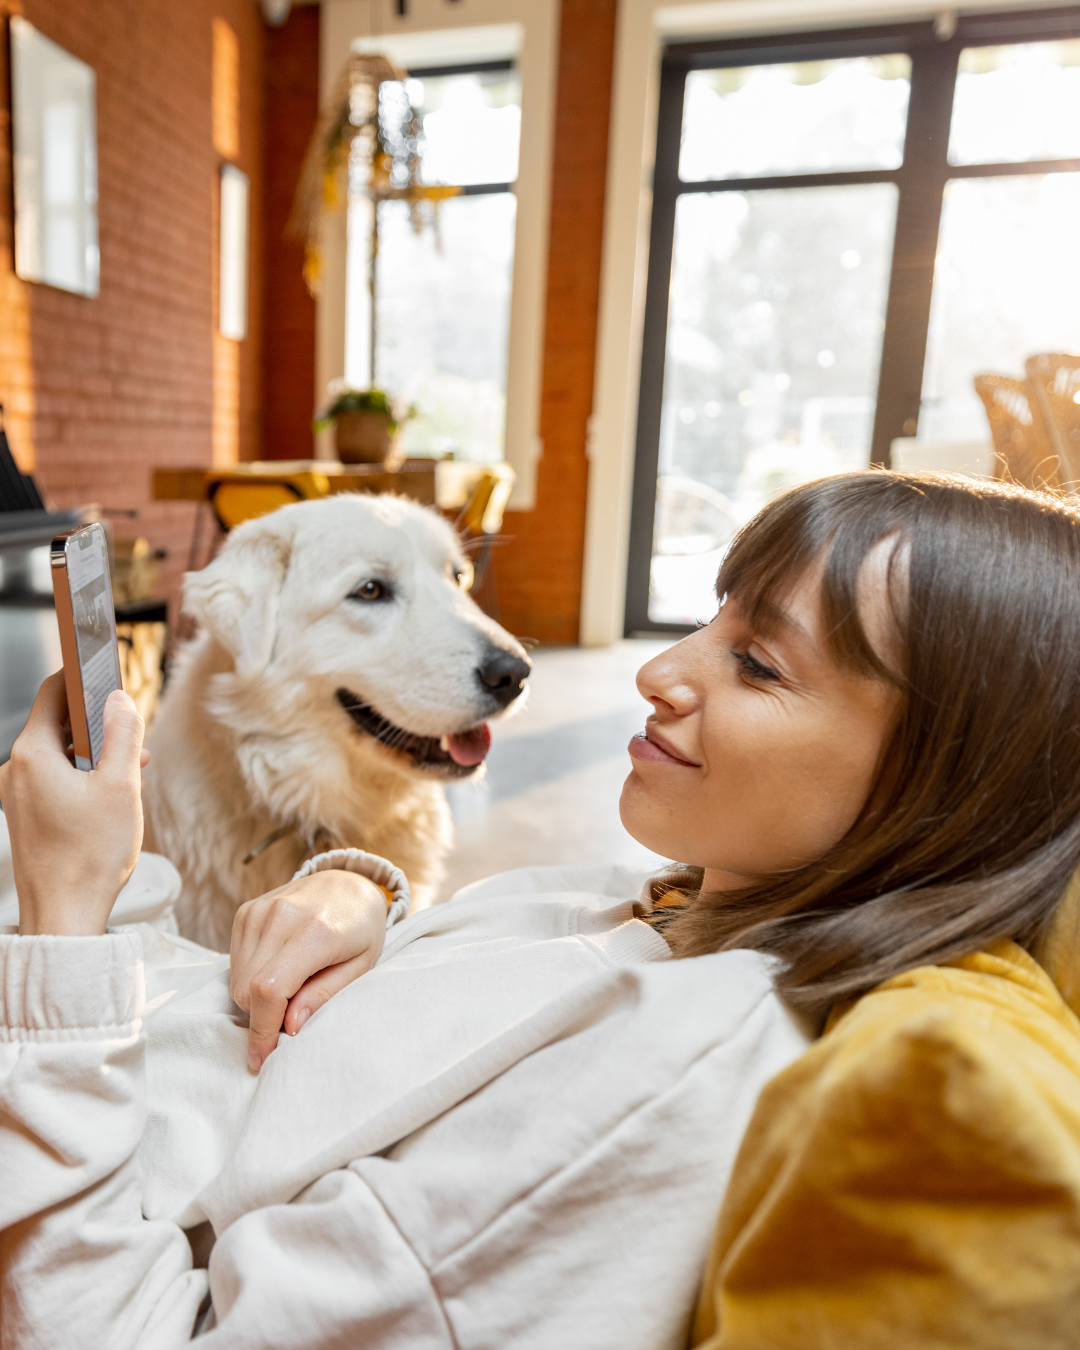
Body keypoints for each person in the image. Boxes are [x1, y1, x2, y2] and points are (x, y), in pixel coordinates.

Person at [2, 469, 1080, 1347]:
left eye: (756, 663)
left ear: (946, 780)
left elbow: (104, 1323)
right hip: (107, 1081)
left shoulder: (652, 1079)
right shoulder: (683, 901)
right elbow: (437, 1013)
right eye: (710, 621)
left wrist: (60, 906)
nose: (658, 668)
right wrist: (364, 891)